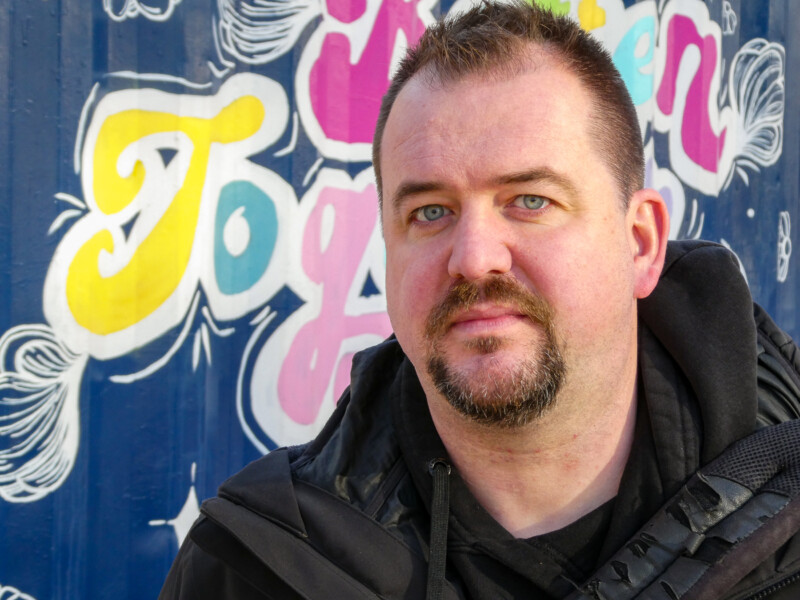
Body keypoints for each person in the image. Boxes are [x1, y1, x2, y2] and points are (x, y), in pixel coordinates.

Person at [160, 2, 800, 598]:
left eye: (530, 201)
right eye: (430, 212)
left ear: (639, 243)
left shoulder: (786, 516)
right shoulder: (255, 566)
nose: (472, 257)